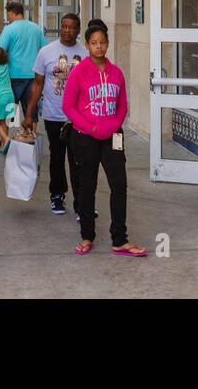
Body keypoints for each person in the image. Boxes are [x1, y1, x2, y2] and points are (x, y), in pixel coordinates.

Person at [63, 23, 145, 257]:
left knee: (119, 185)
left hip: (112, 137)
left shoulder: (116, 73)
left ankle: (120, 239)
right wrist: (91, 127)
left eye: (103, 42)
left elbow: (122, 106)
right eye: (94, 43)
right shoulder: (79, 72)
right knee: (87, 187)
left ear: (107, 44)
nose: (99, 46)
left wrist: (111, 126)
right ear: (87, 45)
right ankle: (87, 236)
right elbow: (68, 106)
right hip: (85, 137)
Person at [24, 12, 88, 214]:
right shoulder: (46, 52)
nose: (66, 30)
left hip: (79, 118)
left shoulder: (86, 54)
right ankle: (57, 196)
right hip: (54, 115)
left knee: (78, 160)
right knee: (57, 158)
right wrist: (29, 114)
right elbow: (37, 84)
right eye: (63, 26)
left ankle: (81, 202)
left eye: (71, 27)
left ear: (78, 30)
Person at [0, 0, 46, 121]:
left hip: (14, 75)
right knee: (31, 109)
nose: (8, 17)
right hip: (33, 76)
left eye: (8, 14)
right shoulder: (36, 28)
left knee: (10, 111)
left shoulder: (9, 29)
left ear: (12, 13)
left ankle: (7, 138)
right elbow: (44, 50)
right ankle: (31, 137)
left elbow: (0, 51)